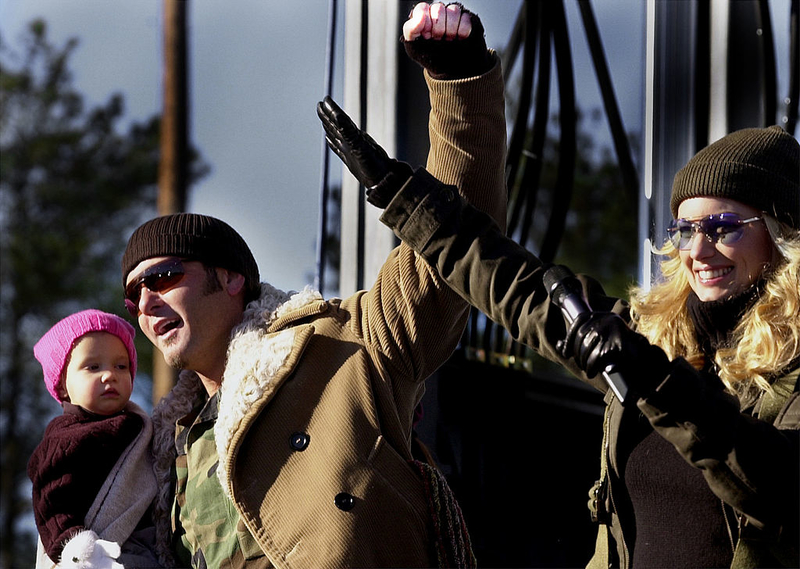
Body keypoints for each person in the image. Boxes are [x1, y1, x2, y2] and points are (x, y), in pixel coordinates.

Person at [318, 105, 800, 567]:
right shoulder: (653, 337)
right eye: (686, 228)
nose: (698, 249)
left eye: (723, 227)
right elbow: (515, 286)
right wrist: (403, 195)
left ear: (783, 234)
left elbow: (780, 486)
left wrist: (656, 381)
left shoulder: (788, 367)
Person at [120, 3, 508, 567]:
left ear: (230, 280)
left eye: (162, 277)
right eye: (133, 296)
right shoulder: (158, 453)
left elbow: (448, 250)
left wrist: (457, 81)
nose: (146, 302)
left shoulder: (345, 347)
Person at [28, 309, 160, 569]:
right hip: (98, 551)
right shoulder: (65, 437)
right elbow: (51, 501)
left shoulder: (140, 425)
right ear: (63, 385)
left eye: (121, 366)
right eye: (93, 366)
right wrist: (75, 546)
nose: (109, 375)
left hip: (149, 544)